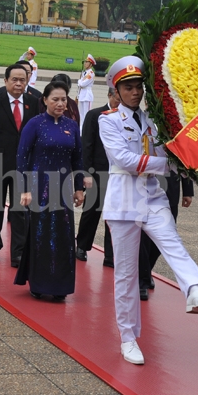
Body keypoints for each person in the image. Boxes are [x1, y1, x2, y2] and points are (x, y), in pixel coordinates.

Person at [100, 56, 198, 365]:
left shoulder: (154, 120)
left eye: (139, 86)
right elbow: (124, 159)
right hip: (124, 202)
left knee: (172, 243)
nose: (135, 92)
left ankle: (194, 289)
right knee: (126, 276)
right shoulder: (108, 120)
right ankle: (128, 338)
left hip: (152, 197)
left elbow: (170, 149)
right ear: (117, 90)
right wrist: (168, 165)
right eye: (128, 87)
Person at [15, 81, 85, 300]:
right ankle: (38, 283)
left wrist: (80, 188)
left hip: (63, 189)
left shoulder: (72, 125)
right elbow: (21, 157)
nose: (60, 103)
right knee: (41, 235)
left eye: (64, 99)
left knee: (64, 237)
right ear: (44, 100)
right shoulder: (35, 124)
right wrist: (25, 189)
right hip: (39, 188)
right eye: (55, 99)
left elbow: (78, 159)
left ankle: (60, 287)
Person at [0, 64, 40, 267]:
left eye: (23, 79)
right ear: (6, 81)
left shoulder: (34, 102)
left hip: (24, 166)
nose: (19, 83)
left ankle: (18, 252)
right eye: (15, 79)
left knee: (19, 210)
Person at [75, 87, 119, 267]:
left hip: (118, 175)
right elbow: (87, 147)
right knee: (91, 212)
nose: (120, 101)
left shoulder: (127, 117)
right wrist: (87, 173)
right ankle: (82, 246)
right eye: (117, 97)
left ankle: (110, 254)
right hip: (98, 172)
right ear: (109, 95)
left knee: (115, 217)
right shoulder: (95, 115)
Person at [76, 54, 96, 129]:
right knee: (81, 114)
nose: (85, 63)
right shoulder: (84, 73)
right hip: (82, 94)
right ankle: (81, 129)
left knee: (86, 114)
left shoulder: (90, 73)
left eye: (87, 62)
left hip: (87, 95)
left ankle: (86, 129)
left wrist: (79, 81)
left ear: (91, 64)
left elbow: (83, 84)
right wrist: (80, 82)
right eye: (85, 62)